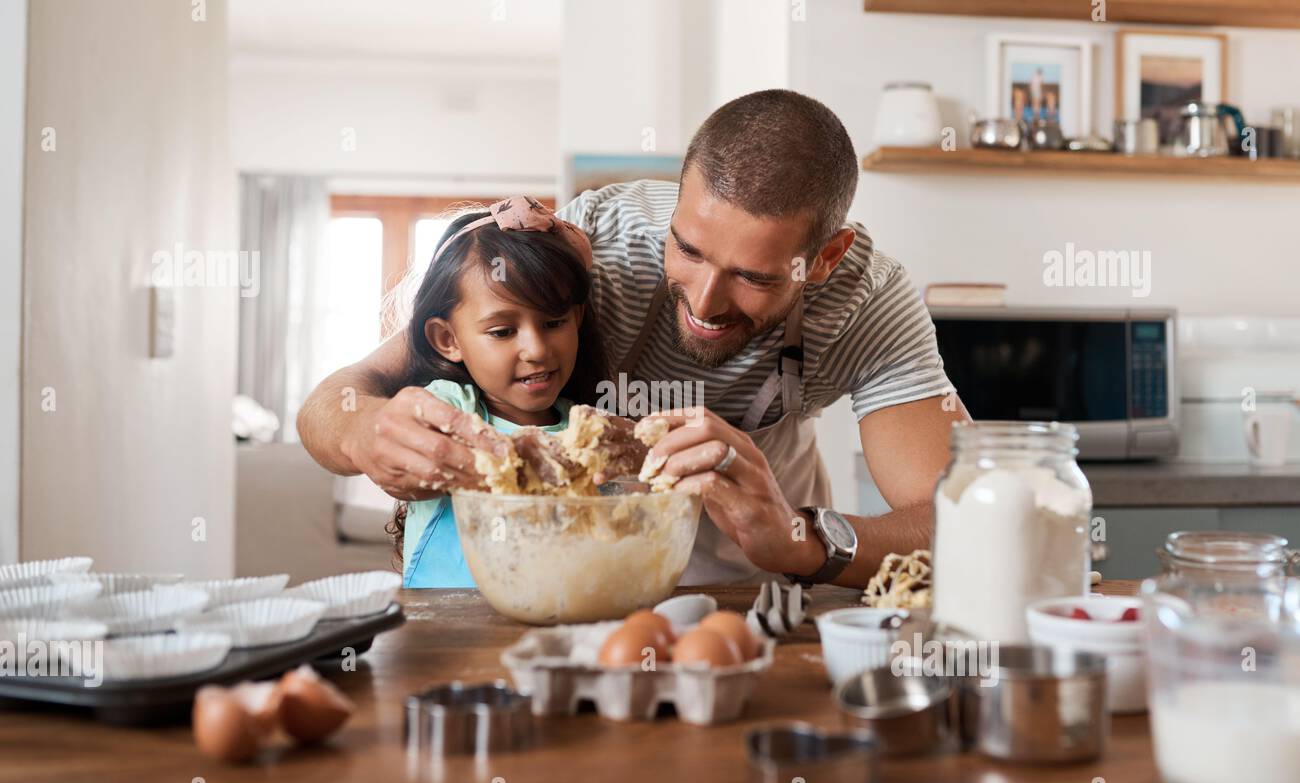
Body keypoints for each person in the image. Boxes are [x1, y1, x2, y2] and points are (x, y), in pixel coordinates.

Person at [298, 89, 970, 589]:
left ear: (825, 258)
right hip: (606, 574)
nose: (705, 302)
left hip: (766, 571)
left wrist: (803, 536)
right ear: (675, 204)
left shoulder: (869, 302)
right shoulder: (598, 246)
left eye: (752, 277)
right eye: (689, 249)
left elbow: (961, 518)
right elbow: (335, 402)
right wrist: (365, 433)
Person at [386, 197, 609, 587]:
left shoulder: (588, 428)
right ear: (447, 339)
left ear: (577, 319)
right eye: (503, 331)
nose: (537, 350)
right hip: (442, 632)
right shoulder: (448, 411)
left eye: (554, 322)